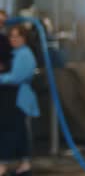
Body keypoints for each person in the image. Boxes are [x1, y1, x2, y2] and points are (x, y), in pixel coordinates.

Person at [0, 25, 40, 176]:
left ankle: (3, 164)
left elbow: (16, 77)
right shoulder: (15, 53)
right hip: (14, 97)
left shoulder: (24, 54)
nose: (13, 39)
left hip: (19, 98)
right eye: (11, 36)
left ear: (24, 38)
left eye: (17, 36)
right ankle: (25, 163)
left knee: (9, 131)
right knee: (19, 131)